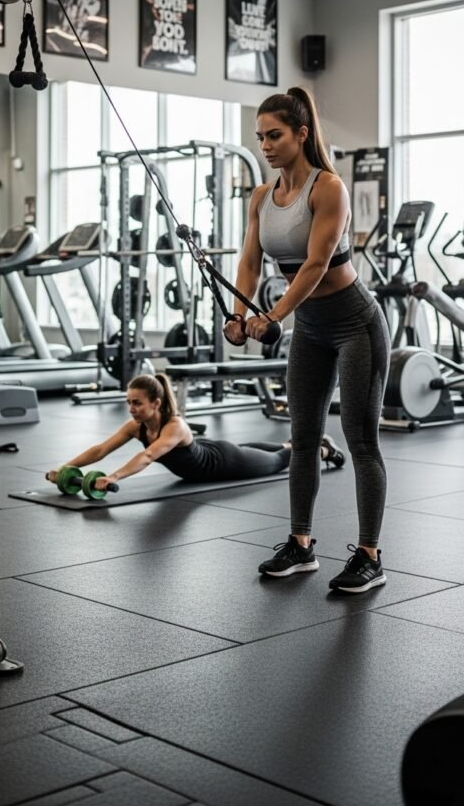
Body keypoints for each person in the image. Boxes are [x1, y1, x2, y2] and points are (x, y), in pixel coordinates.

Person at [224, 87, 390, 594]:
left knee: (361, 441)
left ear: (300, 134)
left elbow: (316, 264)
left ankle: (369, 556)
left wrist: (271, 316)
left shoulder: (328, 188)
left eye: (274, 135)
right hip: (312, 330)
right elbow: (251, 262)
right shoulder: (261, 196)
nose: (265, 146)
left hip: (355, 322)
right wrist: (239, 316)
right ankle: (301, 545)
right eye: (259, 138)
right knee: (302, 439)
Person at [45, 372, 344, 490]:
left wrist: (112, 477)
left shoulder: (174, 426)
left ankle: (323, 450)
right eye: (129, 403)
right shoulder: (135, 427)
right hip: (214, 450)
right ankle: (299, 443)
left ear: (156, 403)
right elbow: (100, 450)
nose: (131, 408)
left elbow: (149, 456)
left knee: (282, 460)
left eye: (137, 403)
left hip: (225, 465)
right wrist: (67, 467)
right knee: (280, 447)